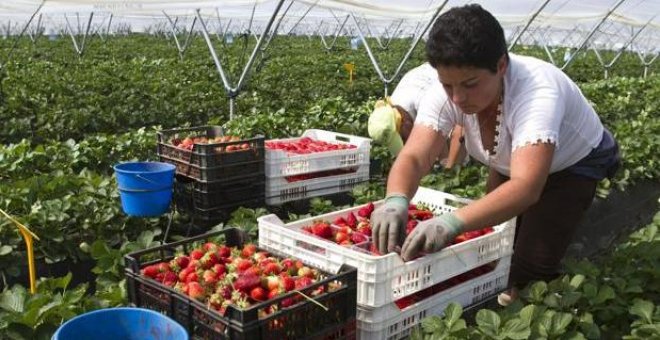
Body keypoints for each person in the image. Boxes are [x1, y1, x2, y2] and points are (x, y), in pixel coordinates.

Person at [371, 4, 620, 305]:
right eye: (447, 85)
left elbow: (527, 187)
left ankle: (530, 303)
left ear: (501, 65)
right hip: (508, 159)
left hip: (573, 165)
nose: (458, 98)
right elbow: (413, 157)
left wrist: (450, 223)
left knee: (532, 262)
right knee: (498, 236)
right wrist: (396, 200)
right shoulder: (448, 93)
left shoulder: (537, 93)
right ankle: (494, 291)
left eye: (470, 84)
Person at [368, 63, 467, 169]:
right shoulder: (395, 104)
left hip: (462, 75)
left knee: (460, 151)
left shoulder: (427, 101)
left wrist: (450, 169)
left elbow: (460, 128)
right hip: (436, 76)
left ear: (405, 123)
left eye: (403, 138)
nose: (405, 142)